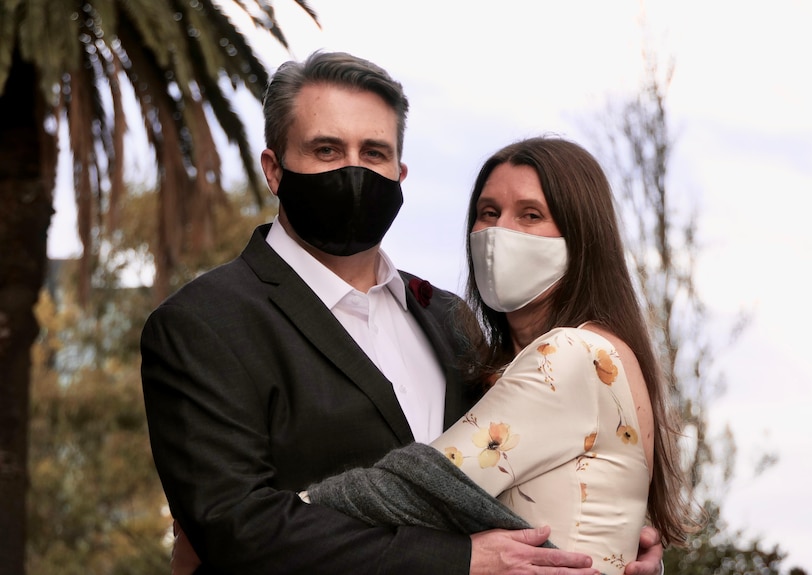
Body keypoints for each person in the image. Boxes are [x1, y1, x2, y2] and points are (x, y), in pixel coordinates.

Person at [141, 50, 665, 575]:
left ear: (399, 172)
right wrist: (455, 560)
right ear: (274, 170)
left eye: (373, 153)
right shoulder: (203, 323)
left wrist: (613, 541)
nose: (352, 170)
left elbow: (515, 480)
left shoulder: (449, 319)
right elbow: (237, 530)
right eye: (326, 149)